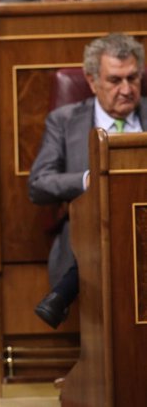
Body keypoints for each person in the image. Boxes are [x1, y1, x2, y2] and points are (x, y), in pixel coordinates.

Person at [29, 33, 146, 328]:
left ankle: (62, 295)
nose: (126, 89)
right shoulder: (65, 121)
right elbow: (39, 184)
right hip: (90, 232)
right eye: (115, 80)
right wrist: (86, 180)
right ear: (92, 81)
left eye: (133, 78)